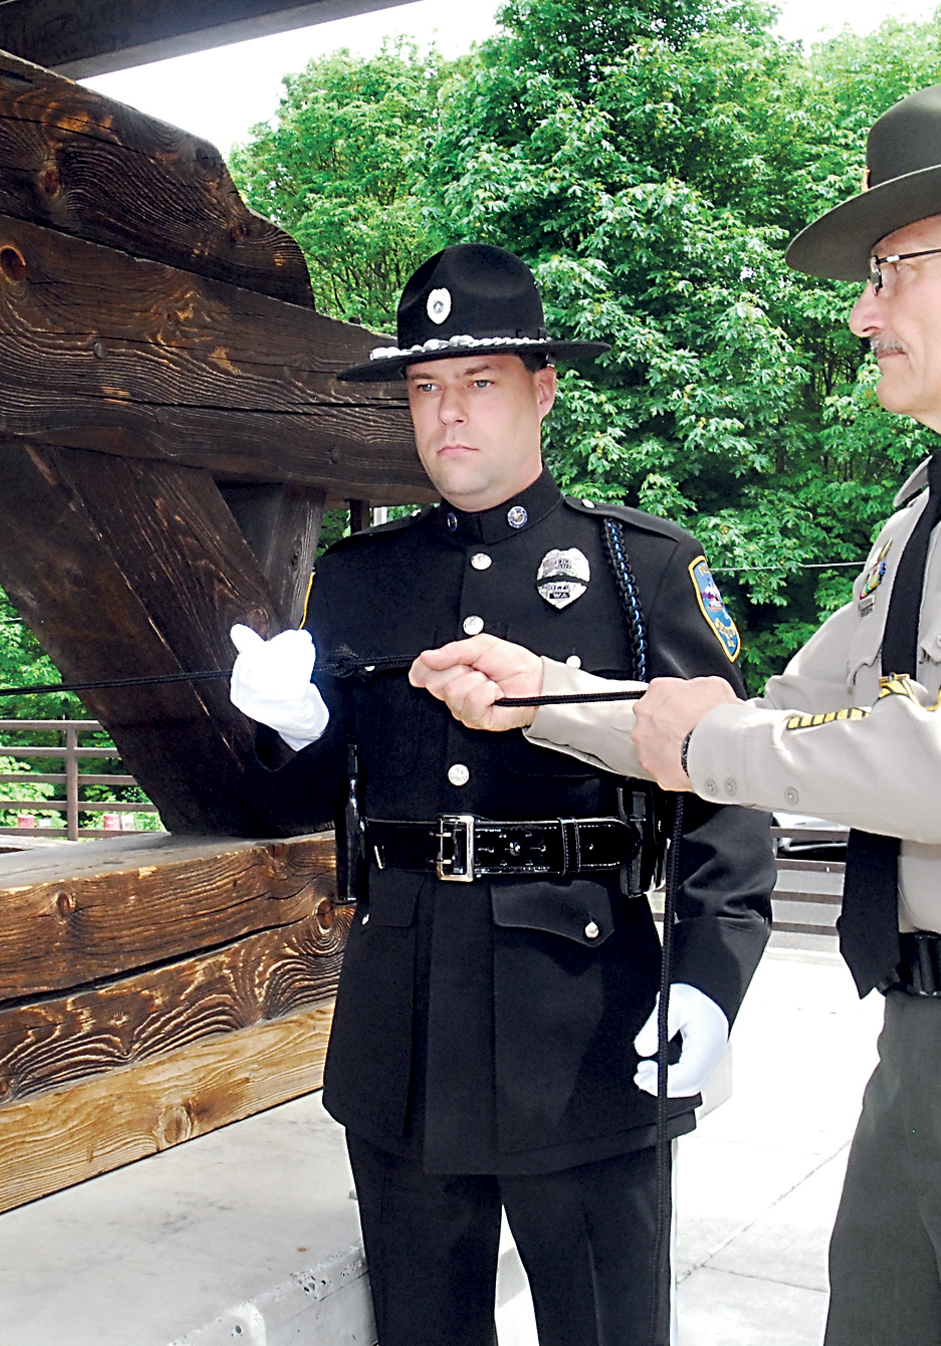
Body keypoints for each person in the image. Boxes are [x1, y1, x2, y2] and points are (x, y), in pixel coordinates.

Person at [408, 74, 941, 1345]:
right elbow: (785, 709)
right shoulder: (929, 516)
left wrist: (705, 739)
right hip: (932, 1052)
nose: (862, 311)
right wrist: (544, 697)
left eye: (891, 270)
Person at [229, 243, 773, 1346]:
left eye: (479, 382)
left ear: (543, 388)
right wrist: (289, 727)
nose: (447, 414)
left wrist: (713, 979)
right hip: (404, 1017)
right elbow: (314, 789)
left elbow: (728, 791)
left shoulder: (640, 567)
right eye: (426, 387)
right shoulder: (360, 579)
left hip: (581, 1015)